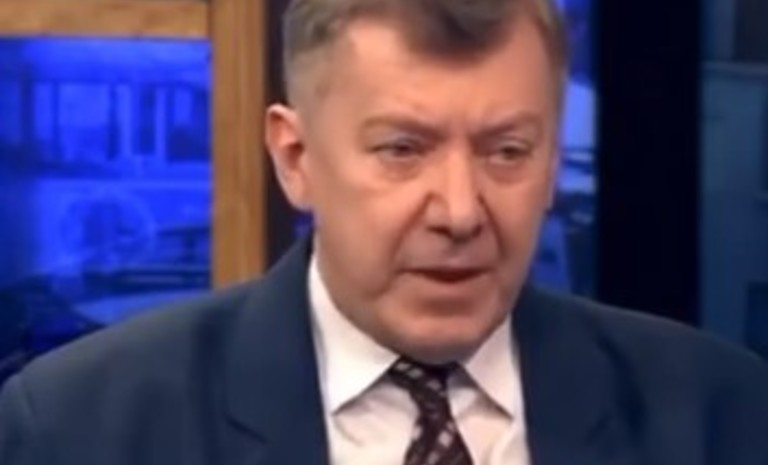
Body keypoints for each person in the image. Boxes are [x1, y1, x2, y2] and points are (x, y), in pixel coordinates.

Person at [2, 0, 768, 464]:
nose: (460, 210)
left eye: (508, 151)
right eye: (403, 149)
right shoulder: (83, 426)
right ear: (295, 158)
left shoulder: (723, 414)